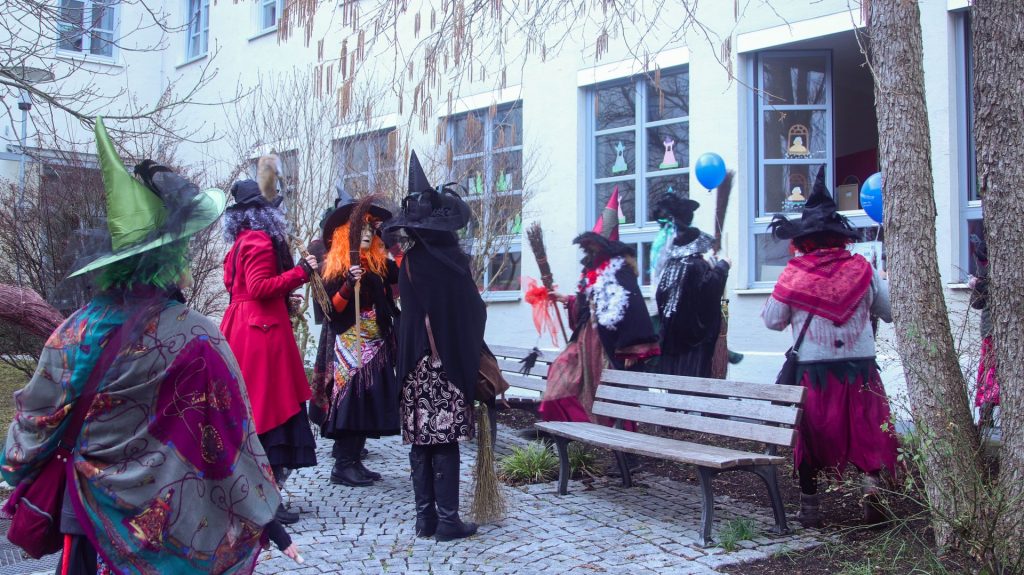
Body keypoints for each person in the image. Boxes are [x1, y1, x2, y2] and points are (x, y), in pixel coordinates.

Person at [0, 118, 300, 573]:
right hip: (171, 534)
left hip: (86, 525)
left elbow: (30, 427)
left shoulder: (75, 331)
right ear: (172, 258)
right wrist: (269, 519)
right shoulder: (197, 336)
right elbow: (229, 436)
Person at [762, 167, 898, 527]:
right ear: (839, 237)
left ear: (804, 239)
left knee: (812, 435)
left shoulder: (793, 274)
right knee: (868, 429)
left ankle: (810, 508)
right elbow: (887, 311)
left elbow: (773, 321)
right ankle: (871, 485)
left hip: (815, 372)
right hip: (862, 369)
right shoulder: (862, 268)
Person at [384, 151, 484, 542]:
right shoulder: (454, 263)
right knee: (444, 439)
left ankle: (424, 519)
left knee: (421, 441)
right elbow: (473, 314)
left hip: (413, 367)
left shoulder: (407, 262)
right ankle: (447, 520)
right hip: (443, 366)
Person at [220, 166, 318, 525]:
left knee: (255, 411)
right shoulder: (260, 241)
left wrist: (284, 297)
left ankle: (256, 497)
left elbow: (243, 289)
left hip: (243, 327)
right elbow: (260, 287)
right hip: (261, 334)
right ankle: (266, 502)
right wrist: (303, 273)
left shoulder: (240, 242)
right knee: (271, 411)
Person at [539, 189, 660, 424]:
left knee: (611, 392)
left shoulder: (620, 272)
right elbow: (587, 305)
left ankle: (620, 445)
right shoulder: (591, 273)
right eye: (589, 248)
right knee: (561, 374)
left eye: (595, 248)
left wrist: (634, 350)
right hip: (585, 341)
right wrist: (567, 300)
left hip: (608, 345)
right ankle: (561, 427)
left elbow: (633, 309)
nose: (590, 252)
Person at [313, 190, 401, 487]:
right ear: (343, 236)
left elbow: (398, 275)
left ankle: (355, 460)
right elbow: (331, 311)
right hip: (351, 343)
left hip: (377, 341)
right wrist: (349, 285)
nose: (365, 233)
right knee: (351, 400)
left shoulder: (379, 265)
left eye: (369, 229)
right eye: (358, 229)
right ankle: (343, 464)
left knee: (367, 400)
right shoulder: (336, 269)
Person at [650, 192, 730, 379]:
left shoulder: (671, 265)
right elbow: (710, 291)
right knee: (691, 385)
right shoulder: (697, 266)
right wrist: (722, 267)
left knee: (676, 387)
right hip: (692, 346)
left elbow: (662, 297)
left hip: (671, 341)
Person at [969, 234, 999, 429]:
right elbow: (977, 302)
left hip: (992, 332)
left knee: (990, 376)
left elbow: (977, 302)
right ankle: (986, 417)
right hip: (990, 332)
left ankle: (986, 418)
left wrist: (978, 284)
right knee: (990, 376)